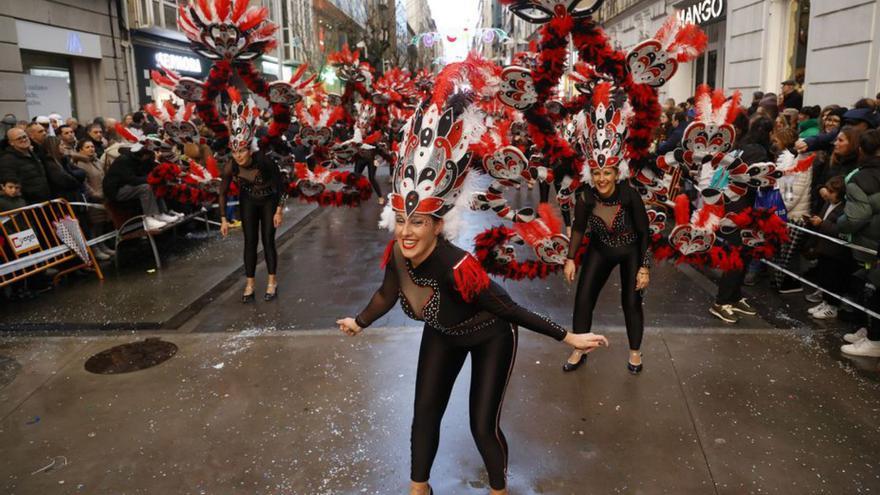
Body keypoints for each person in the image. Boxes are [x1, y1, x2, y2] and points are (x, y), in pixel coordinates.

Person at [337, 81, 608, 494]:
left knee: (482, 426)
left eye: (419, 222)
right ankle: (418, 488)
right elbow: (387, 294)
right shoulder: (397, 253)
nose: (407, 232)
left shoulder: (457, 265)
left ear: (438, 224)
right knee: (424, 414)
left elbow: (509, 309)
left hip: (490, 337)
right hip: (443, 334)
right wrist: (359, 322)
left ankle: (499, 489)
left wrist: (568, 335)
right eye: (403, 221)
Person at [563, 161, 650, 373]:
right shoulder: (586, 197)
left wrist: (644, 267)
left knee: (631, 301)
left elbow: (645, 232)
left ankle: (635, 352)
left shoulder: (630, 196)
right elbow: (579, 228)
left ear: (616, 174)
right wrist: (570, 258)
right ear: (590, 175)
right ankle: (580, 348)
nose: (602, 179)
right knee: (583, 298)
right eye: (597, 173)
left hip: (631, 251)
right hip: (599, 249)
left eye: (607, 173)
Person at [218, 93, 286, 303]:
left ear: (249, 148)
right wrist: (223, 219)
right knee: (250, 242)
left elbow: (281, 185)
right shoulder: (231, 166)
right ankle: (250, 283)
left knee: (267, 240)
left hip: (268, 201)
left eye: (242, 151)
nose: (239, 156)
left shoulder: (264, 162)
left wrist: (278, 210)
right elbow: (222, 191)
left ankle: (272, 282)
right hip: (248, 201)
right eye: (235, 152)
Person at [837, 130, 880, 357]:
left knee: (872, 288)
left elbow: (855, 217)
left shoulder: (860, 178)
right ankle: (868, 330)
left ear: (861, 150)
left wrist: (839, 224)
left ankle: (874, 340)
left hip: (869, 242)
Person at [803, 177, 851, 319]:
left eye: (832, 191)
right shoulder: (828, 204)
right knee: (824, 278)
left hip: (835, 252)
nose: (828, 194)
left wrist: (821, 223)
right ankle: (825, 302)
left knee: (833, 280)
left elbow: (841, 230)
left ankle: (833, 306)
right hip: (824, 248)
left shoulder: (845, 208)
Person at [103, 142, 179, 231]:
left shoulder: (141, 159)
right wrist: (152, 179)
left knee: (156, 184)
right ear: (143, 155)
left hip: (127, 186)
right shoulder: (124, 160)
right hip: (116, 190)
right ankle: (149, 218)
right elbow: (131, 180)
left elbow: (149, 172)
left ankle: (161, 213)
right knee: (146, 188)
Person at [72, 139, 114, 260]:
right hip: (93, 199)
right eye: (87, 147)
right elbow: (84, 183)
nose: (91, 149)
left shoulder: (96, 161)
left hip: (103, 196)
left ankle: (102, 245)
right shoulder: (80, 164)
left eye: (92, 146)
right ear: (80, 150)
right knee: (93, 225)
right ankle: (95, 249)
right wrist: (94, 194)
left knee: (101, 223)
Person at [0, 128, 51, 204]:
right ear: (11, 143)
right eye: (19, 139)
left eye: (25, 137)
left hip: (44, 200)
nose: (23, 140)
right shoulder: (7, 159)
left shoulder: (33, 153)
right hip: (28, 205)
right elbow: (10, 184)